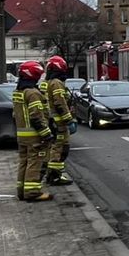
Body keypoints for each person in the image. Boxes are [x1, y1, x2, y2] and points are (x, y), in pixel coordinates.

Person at [13, 60, 55, 201]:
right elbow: (36, 117)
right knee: (35, 162)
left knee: (23, 162)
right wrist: (47, 134)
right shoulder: (32, 94)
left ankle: (21, 191)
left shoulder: (18, 92)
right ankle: (32, 193)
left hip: (22, 135)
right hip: (34, 136)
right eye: (38, 75)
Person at [40, 56, 75, 186]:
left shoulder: (47, 82)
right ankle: (54, 176)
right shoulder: (56, 83)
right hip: (59, 122)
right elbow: (60, 102)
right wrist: (68, 119)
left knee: (55, 148)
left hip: (51, 120)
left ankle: (53, 174)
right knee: (60, 148)